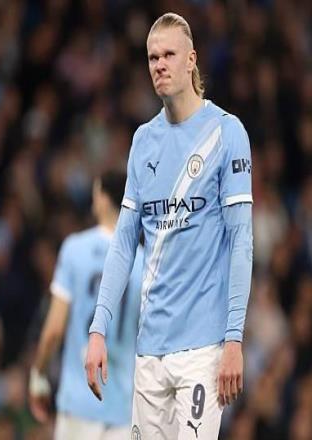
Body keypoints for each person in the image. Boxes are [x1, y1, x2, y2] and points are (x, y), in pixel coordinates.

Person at [85, 12, 253, 440]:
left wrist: (234, 338)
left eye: (169, 55)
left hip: (203, 347)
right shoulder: (144, 140)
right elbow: (124, 242)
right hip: (149, 349)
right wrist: (98, 328)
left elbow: (241, 240)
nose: (159, 65)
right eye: (152, 57)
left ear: (191, 59)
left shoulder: (226, 133)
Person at [29, 170, 142, 439]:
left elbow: (54, 330)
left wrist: (38, 374)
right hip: (122, 409)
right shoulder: (143, 261)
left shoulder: (74, 249)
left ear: (101, 198)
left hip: (78, 405)